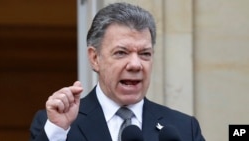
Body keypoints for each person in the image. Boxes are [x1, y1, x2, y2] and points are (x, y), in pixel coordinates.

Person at [30, 2, 205, 141]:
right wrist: (58, 132)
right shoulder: (56, 124)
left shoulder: (183, 128)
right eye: (121, 53)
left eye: (145, 54)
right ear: (95, 58)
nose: (135, 65)